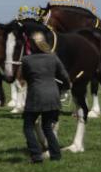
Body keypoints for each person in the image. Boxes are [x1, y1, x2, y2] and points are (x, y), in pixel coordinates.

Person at [21, 31, 70, 163]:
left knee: (28, 126)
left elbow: (25, 77)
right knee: (47, 127)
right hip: (52, 96)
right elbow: (65, 77)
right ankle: (56, 155)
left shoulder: (26, 60)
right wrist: (66, 87)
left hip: (35, 97)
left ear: (31, 44)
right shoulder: (53, 57)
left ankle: (36, 155)